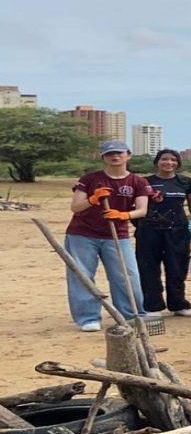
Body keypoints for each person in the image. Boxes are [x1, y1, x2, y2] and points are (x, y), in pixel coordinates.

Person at [64, 140, 151, 332]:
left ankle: (132, 315)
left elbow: (142, 210)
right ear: (103, 157)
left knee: (127, 275)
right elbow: (76, 207)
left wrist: (124, 215)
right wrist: (93, 199)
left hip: (117, 234)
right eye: (109, 154)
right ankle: (88, 318)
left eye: (119, 153)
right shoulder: (89, 179)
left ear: (128, 155)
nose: (115, 156)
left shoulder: (138, 181)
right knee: (82, 275)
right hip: (82, 233)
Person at [136, 149, 191, 318]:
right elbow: (135, 206)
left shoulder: (186, 182)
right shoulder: (144, 182)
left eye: (173, 160)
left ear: (178, 163)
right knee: (149, 267)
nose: (169, 163)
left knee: (177, 267)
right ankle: (153, 306)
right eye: (164, 159)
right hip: (149, 230)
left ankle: (179, 304)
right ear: (157, 162)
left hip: (178, 230)